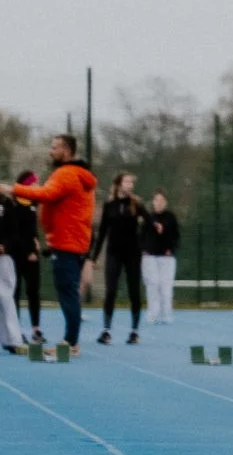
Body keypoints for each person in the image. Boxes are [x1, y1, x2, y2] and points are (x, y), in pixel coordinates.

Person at [0, 134, 97, 357]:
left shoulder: (66, 173)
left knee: (67, 293)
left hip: (67, 242)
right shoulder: (81, 175)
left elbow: (45, 194)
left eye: (54, 147)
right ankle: (71, 340)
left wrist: (11, 189)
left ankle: (71, 342)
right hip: (74, 240)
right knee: (68, 291)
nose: (50, 151)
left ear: (67, 151)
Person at [89, 172, 149, 345]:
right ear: (119, 184)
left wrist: (154, 230)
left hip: (133, 254)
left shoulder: (136, 203)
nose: (130, 185)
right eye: (127, 182)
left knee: (134, 291)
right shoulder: (109, 205)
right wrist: (94, 257)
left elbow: (149, 221)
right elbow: (102, 233)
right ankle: (106, 331)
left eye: (132, 182)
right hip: (114, 253)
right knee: (111, 290)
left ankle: (134, 331)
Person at [141, 188, 180, 325]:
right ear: (153, 202)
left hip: (167, 259)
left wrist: (171, 249)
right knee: (152, 285)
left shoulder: (171, 217)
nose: (159, 203)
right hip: (150, 258)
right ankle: (152, 314)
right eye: (156, 200)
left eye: (161, 200)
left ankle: (166, 314)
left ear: (166, 202)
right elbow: (142, 236)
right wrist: (144, 250)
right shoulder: (148, 218)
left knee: (166, 287)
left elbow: (176, 237)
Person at [11, 171, 42, 343]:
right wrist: (28, 250)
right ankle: (15, 330)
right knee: (15, 292)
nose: (37, 185)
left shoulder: (33, 204)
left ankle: (36, 330)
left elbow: (32, 230)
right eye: (34, 183)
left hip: (32, 256)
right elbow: (15, 233)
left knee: (33, 292)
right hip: (17, 255)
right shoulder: (13, 204)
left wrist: (35, 247)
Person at [0, 192, 24, 353]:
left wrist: (5, 246)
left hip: (3, 258)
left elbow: (15, 232)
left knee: (5, 296)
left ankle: (12, 339)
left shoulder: (6, 203)